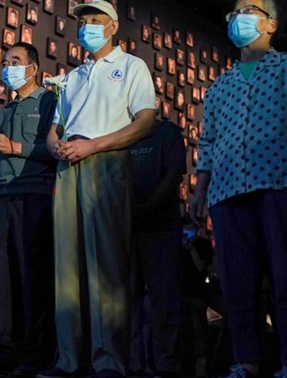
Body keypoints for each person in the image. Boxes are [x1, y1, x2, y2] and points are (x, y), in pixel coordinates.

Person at [189, 0, 287, 378]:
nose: (240, 18)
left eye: (250, 11)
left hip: (281, 182)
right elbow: (208, 142)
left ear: (272, 24)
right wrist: (200, 189)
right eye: (234, 12)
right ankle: (245, 363)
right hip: (226, 190)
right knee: (237, 284)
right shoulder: (219, 86)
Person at [44, 0, 156, 378]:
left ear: (112, 28)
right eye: (82, 22)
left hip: (105, 162)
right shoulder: (72, 76)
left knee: (106, 263)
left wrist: (93, 145)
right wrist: (54, 144)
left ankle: (108, 361)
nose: (87, 27)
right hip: (68, 165)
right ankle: (68, 359)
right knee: (66, 265)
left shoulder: (131, 66)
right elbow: (55, 128)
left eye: (95, 21)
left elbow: (145, 122)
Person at [0, 43, 57, 377]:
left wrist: (15, 146)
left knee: (30, 275)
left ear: (33, 68)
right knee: (1, 277)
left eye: (16, 62)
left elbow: (56, 149)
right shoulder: (5, 108)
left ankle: (34, 354)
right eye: (5, 63)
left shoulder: (50, 101)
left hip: (34, 194)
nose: (8, 68)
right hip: (4, 197)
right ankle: (4, 350)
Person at [128, 118, 186, 378]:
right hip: (128, 228)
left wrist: (147, 207)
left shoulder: (168, 132)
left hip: (161, 226)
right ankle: (134, 363)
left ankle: (164, 364)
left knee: (163, 298)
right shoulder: (123, 133)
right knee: (129, 299)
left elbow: (174, 175)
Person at [179, 222, 214, 378]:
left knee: (199, 332)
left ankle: (200, 367)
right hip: (182, 294)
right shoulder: (179, 245)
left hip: (197, 294)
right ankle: (186, 367)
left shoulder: (203, 245)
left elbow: (200, 266)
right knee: (185, 333)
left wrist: (191, 247)